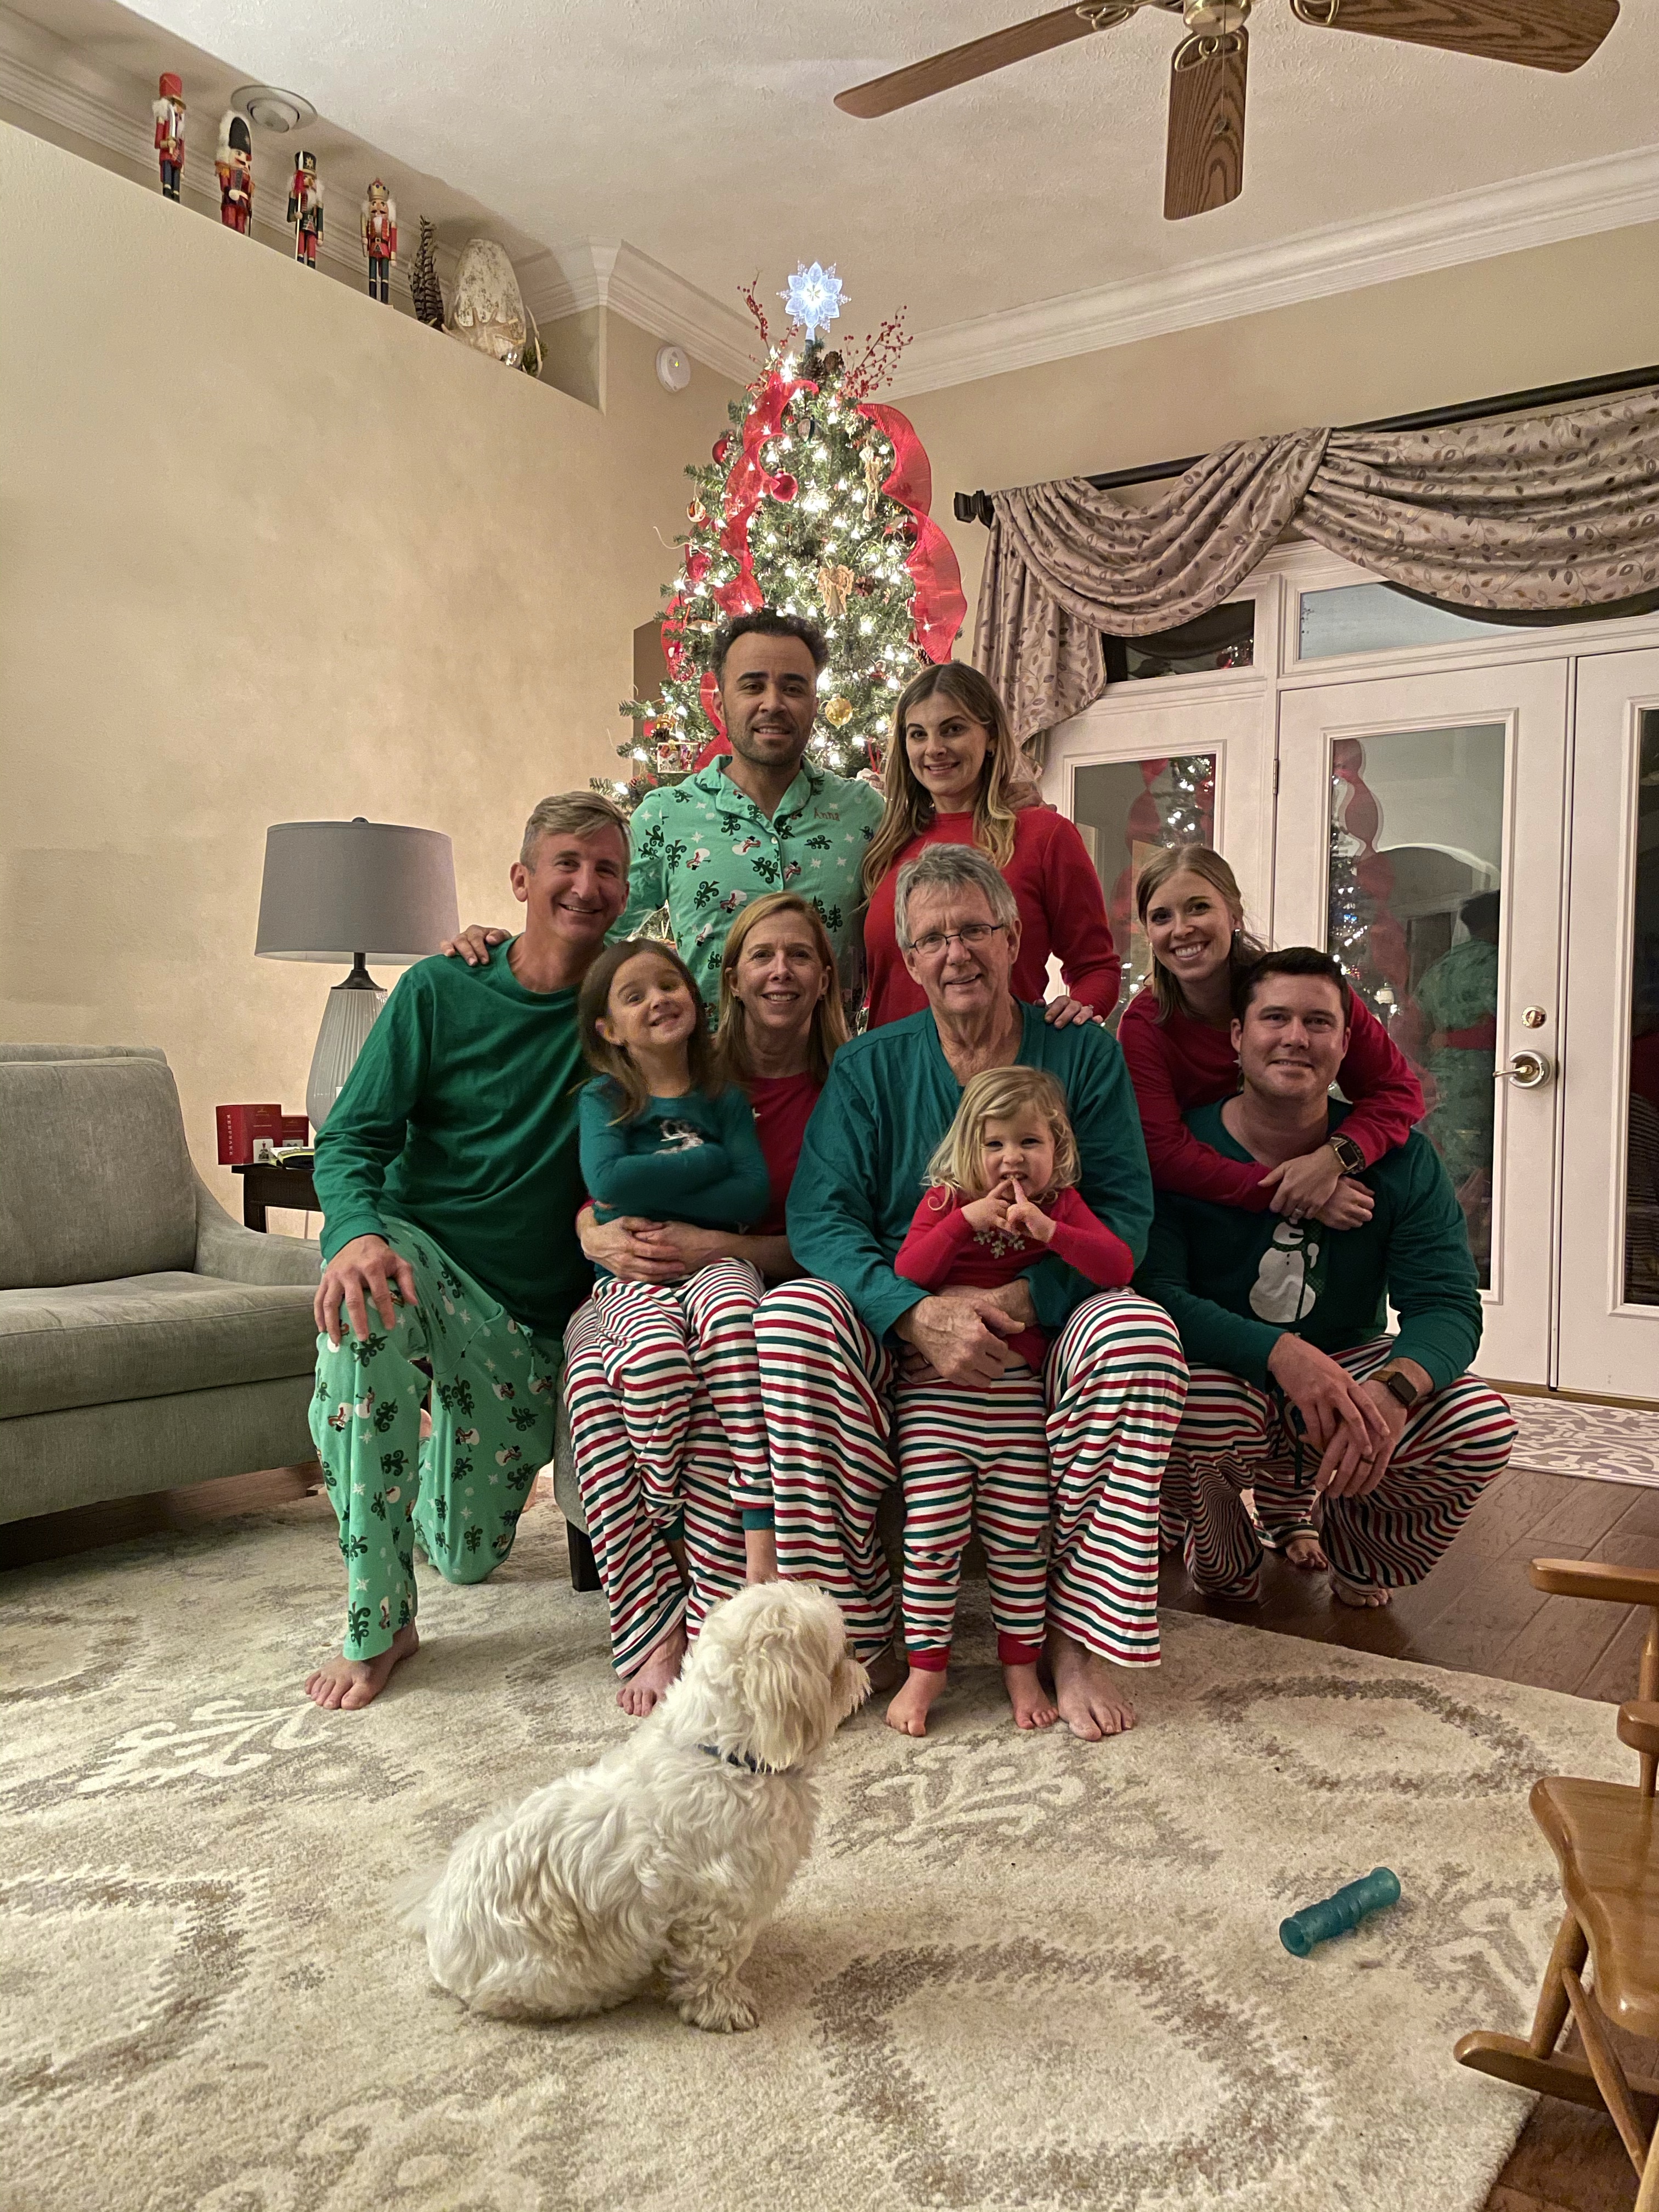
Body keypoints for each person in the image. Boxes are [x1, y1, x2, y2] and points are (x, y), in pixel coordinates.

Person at [760, 843, 1188, 1743]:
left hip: (1046, 1322)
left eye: (974, 930)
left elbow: (1125, 1216)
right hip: (899, 1320)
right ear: (910, 961)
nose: (955, 953)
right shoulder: (870, 1068)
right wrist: (912, 1313)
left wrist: (1031, 1296)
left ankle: (1077, 1640)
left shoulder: (1081, 1055)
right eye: (932, 939)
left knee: (1139, 1333)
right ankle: (854, 1636)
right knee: (792, 1317)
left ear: (1014, 940)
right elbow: (822, 1222)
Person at [303, 791, 631, 1711]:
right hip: (424, 1256)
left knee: (467, 1555)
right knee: (362, 1317)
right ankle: (378, 1621)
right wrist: (355, 1234)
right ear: (521, 879)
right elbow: (351, 1136)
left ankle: (403, 1472)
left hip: (527, 1321)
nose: (585, 884)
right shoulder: (439, 989)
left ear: (625, 890)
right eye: (565, 863)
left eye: (606, 868)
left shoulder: (627, 1007)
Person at [1138, 946, 1516, 1610]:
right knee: (1196, 1400)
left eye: (1318, 1022)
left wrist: (1394, 1390)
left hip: (1348, 1368)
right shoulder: (1177, 1153)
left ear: (1346, 1043)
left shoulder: (1402, 1160)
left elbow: (1447, 1304)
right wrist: (1279, 1353)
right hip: (1225, 1373)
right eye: (1275, 1018)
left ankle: (1360, 1547)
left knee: (1479, 1422)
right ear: (1237, 1035)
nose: (1295, 1037)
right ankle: (1222, 1555)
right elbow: (1159, 1297)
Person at [566, 893, 848, 1712]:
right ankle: (651, 1626)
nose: (780, 973)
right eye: (762, 955)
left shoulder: (846, 1083)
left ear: (826, 977)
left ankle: (729, 1605)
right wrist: (600, 1226)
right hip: (636, 1279)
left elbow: (766, 1204)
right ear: (729, 977)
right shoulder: (664, 1078)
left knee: (737, 1339)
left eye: (799, 956)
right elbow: (604, 1188)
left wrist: (707, 1237)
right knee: (611, 1382)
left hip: (750, 1281)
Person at [442, 611, 884, 1014]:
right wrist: (502, 956)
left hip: (837, 1066)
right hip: (705, 1068)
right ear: (720, 705)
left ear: (814, 703)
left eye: (793, 687)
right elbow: (592, 929)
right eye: (752, 686)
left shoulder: (864, 811)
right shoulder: (667, 815)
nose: (773, 703)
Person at [889, 1065, 1137, 1737]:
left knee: (1023, 1538)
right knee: (932, 1535)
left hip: (1018, 1403)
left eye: (1029, 1142)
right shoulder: (945, 1201)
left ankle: (1021, 1667)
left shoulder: (1061, 1206)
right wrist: (963, 1222)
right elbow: (909, 1274)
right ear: (968, 1146)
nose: (1011, 1159)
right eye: (994, 1143)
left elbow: (1118, 1267)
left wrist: (1051, 1234)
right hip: (937, 1403)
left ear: (1057, 1147)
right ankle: (928, 1668)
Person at [570, 938, 770, 1711]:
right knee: (651, 1360)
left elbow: (750, 1197)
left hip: (717, 1263)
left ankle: (742, 1563)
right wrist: (709, 1164)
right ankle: (663, 1550)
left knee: (737, 1322)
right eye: (634, 995)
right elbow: (608, 1183)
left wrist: (661, 1195)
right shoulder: (604, 1100)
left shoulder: (723, 1095)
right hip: (632, 1273)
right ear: (609, 1029)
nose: (658, 1000)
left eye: (670, 984)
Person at [1120, 845, 1423, 1225]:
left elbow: (1398, 1094)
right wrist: (1291, 1191)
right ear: (1148, 931)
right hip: (1205, 1213)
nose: (1181, 929)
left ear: (1234, 914)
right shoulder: (1145, 1025)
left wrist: (1331, 1161)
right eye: (1161, 916)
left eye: (1199, 907)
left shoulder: (1305, 992)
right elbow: (1162, 1154)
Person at [861, 662, 1119, 1030]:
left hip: (1007, 1063)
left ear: (992, 736)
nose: (934, 749)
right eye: (918, 734)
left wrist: (1074, 1020)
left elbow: (1096, 967)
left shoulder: (1045, 836)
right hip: (892, 1064)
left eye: (953, 729)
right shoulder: (885, 846)